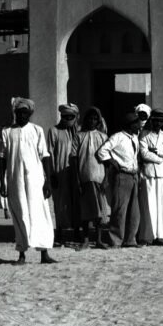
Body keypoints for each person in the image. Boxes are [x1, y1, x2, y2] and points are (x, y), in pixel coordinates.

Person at [0, 98, 57, 264]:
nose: (21, 115)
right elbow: (3, 157)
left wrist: (47, 181)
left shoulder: (37, 130)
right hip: (15, 180)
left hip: (35, 180)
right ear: (15, 113)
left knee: (39, 213)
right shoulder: (7, 132)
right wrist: (3, 182)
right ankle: (22, 254)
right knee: (20, 213)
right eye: (19, 112)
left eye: (25, 112)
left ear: (30, 114)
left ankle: (44, 253)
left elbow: (45, 156)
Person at [96, 112, 143, 248]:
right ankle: (115, 240)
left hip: (133, 175)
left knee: (134, 211)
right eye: (136, 123)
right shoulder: (117, 137)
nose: (139, 126)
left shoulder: (134, 138)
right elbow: (102, 151)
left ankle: (130, 240)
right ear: (130, 124)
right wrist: (112, 162)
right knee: (119, 210)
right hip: (122, 175)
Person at [74, 107, 110, 251]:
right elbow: (74, 158)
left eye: (95, 119)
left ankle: (99, 240)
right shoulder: (79, 136)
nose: (92, 121)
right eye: (90, 118)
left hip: (99, 178)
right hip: (84, 177)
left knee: (99, 211)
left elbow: (107, 160)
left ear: (98, 121)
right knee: (86, 211)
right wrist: (77, 179)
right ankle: (86, 240)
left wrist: (106, 178)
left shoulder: (103, 137)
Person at [139, 109, 163, 247]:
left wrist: (157, 151)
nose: (158, 123)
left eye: (161, 121)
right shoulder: (144, 135)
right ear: (151, 121)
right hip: (149, 174)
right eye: (155, 121)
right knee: (149, 205)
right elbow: (144, 153)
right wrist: (161, 159)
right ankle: (147, 237)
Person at [47, 103, 82, 246]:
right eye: (65, 116)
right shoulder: (54, 131)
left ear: (76, 117)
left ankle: (76, 232)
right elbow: (49, 153)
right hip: (59, 172)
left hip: (76, 172)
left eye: (70, 116)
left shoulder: (79, 131)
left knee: (76, 202)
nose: (67, 119)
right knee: (60, 203)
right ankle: (60, 232)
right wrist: (51, 174)